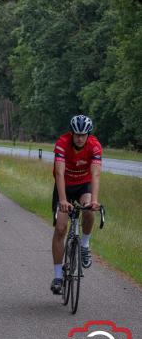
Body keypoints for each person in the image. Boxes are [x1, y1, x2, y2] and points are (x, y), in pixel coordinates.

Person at [51, 115, 102, 295]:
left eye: (83, 134)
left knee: (89, 210)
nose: (80, 138)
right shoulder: (62, 143)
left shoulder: (95, 146)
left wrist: (94, 200)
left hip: (84, 185)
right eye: (77, 134)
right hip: (64, 185)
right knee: (60, 228)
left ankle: (85, 244)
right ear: (71, 133)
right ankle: (57, 276)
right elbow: (59, 173)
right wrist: (63, 200)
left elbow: (95, 174)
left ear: (88, 134)